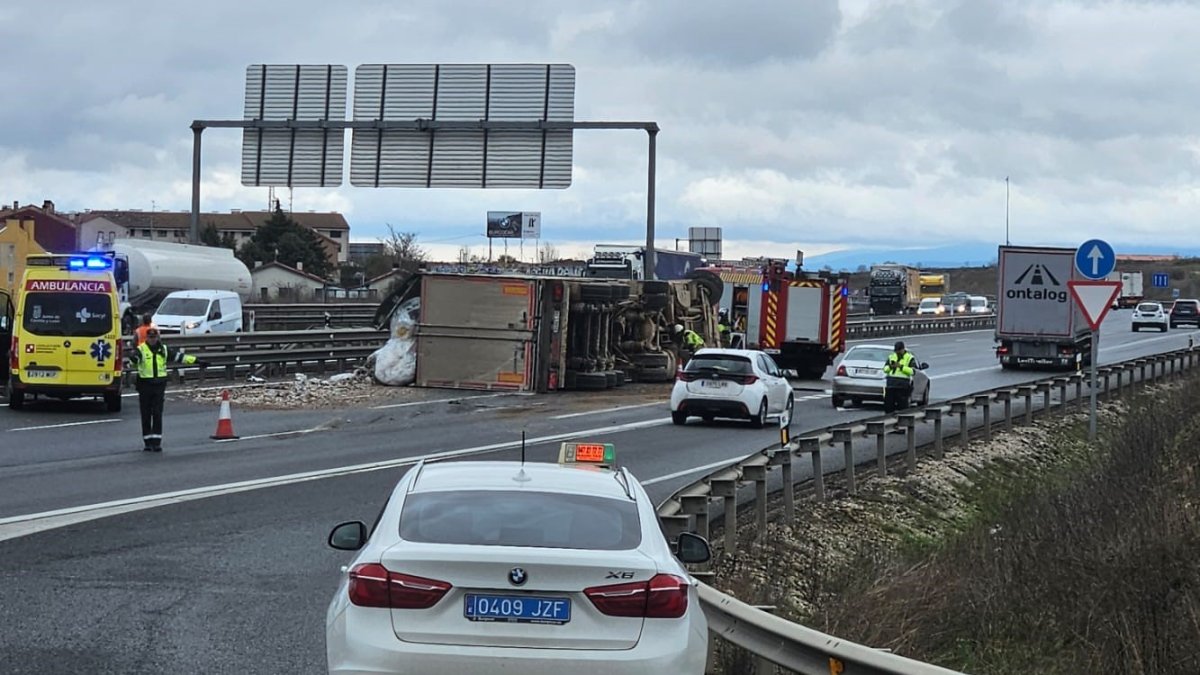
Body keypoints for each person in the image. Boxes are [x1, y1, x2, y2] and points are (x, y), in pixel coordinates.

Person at [127, 328, 205, 451]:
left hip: (159, 385)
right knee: (146, 414)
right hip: (145, 385)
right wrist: (133, 359)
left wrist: (196, 361)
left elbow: (179, 357)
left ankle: (157, 442)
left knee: (157, 413)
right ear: (147, 338)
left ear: (157, 338)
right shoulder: (141, 350)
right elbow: (132, 363)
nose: (152, 340)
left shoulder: (163, 350)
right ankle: (147, 442)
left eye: (154, 337)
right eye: (150, 337)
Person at [883, 340, 917, 413]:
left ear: (903, 349)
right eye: (896, 351)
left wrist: (901, 367)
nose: (897, 352)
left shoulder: (909, 357)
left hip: (903, 385)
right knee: (888, 406)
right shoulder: (891, 356)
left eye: (899, 350)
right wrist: (891, 367)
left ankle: (902, 421)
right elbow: (885, 369)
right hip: (891, 384)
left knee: (903, 407)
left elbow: (912, 371)